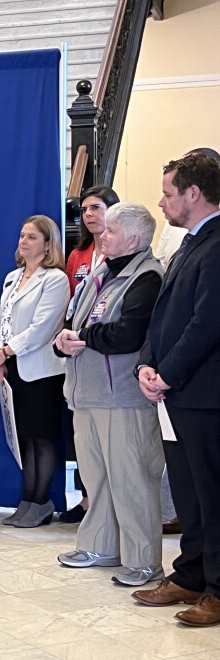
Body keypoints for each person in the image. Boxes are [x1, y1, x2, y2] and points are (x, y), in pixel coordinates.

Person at [54, 202, 164, 586]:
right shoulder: (100, 271)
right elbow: (73, 321)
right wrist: (62, 339)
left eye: (112, 230)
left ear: (133, 238)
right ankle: (101, 544)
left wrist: (80, 337)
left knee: (131, 479)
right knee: (96, 477)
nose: (102, 234)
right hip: (86, 393)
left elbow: (128, 335)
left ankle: (144, 560)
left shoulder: (147, 277)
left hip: (124, 398)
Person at [132, 153, 220, 626]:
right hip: (175, 390)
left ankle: (218, 589)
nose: (162, 201)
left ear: (193, 193)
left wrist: (168, 373)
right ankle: (190, 573)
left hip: (204, 394)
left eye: (168, 192)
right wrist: (148, 364)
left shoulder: (217, 243)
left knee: (212, 494)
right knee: (187, 494)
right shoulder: (189, 243)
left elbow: (208, 323)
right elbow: (164, 316)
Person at [0, 215, 69, 528]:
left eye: (32, 237)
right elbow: (1, 320)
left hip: (42, 370)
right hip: (12, 368)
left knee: (42, 437)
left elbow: (43, 327)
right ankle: (27, 499)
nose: (23, 241)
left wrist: (7, 350)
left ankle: (41, 501)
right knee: (24, 438)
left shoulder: (55, 279)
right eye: (22, 235)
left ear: (47, 244)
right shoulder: (12, 277)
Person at [60, 185, 120, 523]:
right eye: (85, 210)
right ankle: (86, 499)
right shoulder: (78, 255)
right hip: (78, 349)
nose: (89, 216)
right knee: (80, 431)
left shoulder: (125, 251)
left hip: (108, 349)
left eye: (96, 208)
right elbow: (71, 301)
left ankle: (110, 500)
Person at [153, 147, 220, 268]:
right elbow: (160, 263)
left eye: (168, 195)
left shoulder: (214, 248)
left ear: (193, 193)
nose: (161, 203)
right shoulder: (174, 222)